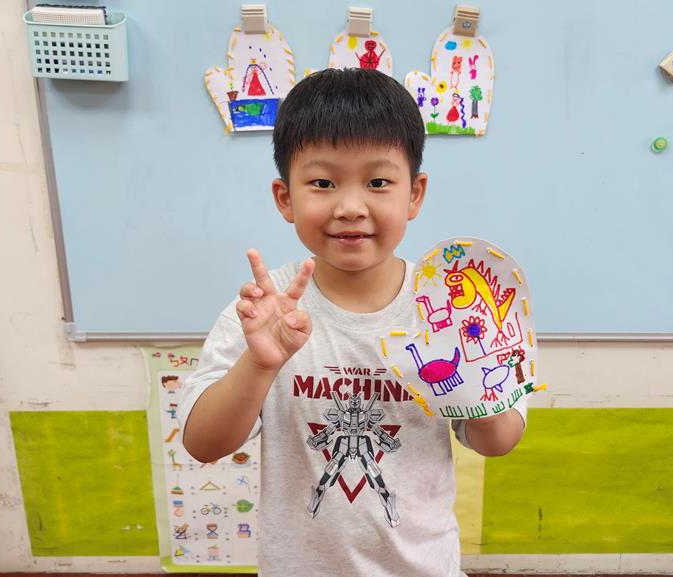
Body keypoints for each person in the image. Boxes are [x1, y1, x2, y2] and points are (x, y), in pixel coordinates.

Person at [179, 68, 526, 577]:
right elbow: (202, 444)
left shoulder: (451, 305)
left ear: (414, 194)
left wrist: (473, 375)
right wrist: (260, 363)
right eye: (323, 183)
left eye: (378, 182)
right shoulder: (263, 311)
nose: (350, 207)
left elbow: (498, 442)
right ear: (285, 198)